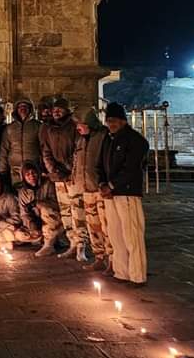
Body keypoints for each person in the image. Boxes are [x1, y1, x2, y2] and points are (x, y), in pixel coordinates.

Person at [97, 102, 150, 287]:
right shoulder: (108, 139)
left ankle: (137, 274)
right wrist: (102, 184)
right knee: (115, 234)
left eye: (114, 120)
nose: (111, 124)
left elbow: (131, 168)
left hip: (127, 193)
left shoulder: (134, 140)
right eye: (108, 120)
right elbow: (100, 164)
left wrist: (111, 185)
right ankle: (121, 271)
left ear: (123, 121)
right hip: (111, 194)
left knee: (132, 235)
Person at [41, 97, 88, 260]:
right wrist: (54, 170)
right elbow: (46, 152)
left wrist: (68, 169)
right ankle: (72, 242)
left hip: (73, 176)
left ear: (67, 110)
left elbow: (78, 151)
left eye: (60, 109)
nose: (56, 112)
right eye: (54, 110)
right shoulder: (49, 129)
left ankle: (82, 244)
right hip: (58, 176)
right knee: (66, 211)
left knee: (78, 210)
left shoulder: (74, 127)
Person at [72, 106, 112, 271]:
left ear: (88, 123)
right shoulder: (81, 139)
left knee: (106, 225)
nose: (77, 128)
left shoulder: (103, 137)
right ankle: (99, 256)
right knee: (93, 225)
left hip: (99, 188)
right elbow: (77, 160)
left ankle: (112, 259)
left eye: (80, 124)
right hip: (86, 189)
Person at [15, 161, 64, 257]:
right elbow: (24, 213)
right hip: (38, 224)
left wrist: (38, 204)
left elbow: (56, 204)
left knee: (46, 210)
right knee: (19, 234)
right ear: (24, 177)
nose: (31, 176)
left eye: (33, 173)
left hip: (52, 220)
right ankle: (43, 239)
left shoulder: (48, 184)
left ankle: (49, 245)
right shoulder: (22, 192)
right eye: (27, 174)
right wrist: (31, 224)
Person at [0, 98, 42, 190]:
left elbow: (43, 147)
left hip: (33, 169)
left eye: (25, 106)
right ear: (16, 110)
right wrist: (2, 169)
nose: (22, 109)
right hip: (15, 169)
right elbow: (4, 149)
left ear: (30, 109)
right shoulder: (10, 128)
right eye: (20, 107)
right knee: (18, 192)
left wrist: (43, 166)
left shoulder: (37, 126)